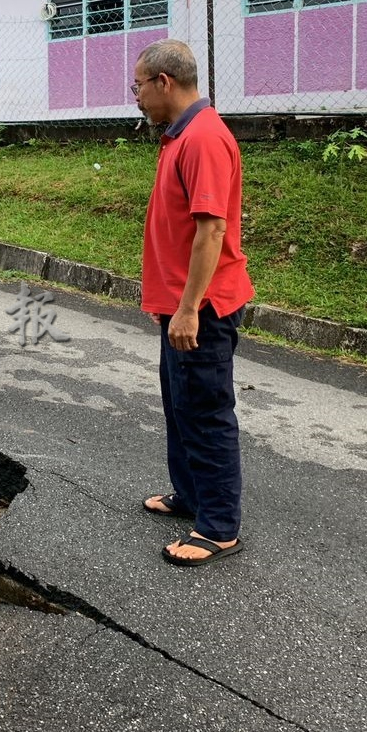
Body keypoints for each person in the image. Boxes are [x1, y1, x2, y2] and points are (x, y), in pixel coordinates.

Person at [133, 39, 254, 566]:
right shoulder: (178, 136)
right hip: (179, 305)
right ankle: (191, 496)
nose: (134, 96)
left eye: (137, 86)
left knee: (205, 412)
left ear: (164, 81)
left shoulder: (203, 138)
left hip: (200, 308)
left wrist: (187, 309)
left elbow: (211, 231)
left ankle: (219, 526)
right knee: (180, 406)